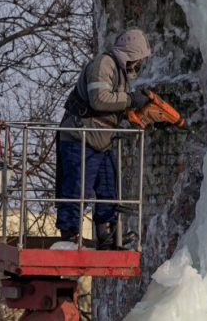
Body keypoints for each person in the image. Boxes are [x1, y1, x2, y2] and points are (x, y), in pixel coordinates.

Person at [56, 27, 151, 249]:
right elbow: (99, 99)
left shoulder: (120, 72)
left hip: (102, 140)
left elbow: (114, 106)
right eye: (138, 59)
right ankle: (69, 236)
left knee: (108, 188)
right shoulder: (104, 64)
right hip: (81, 137)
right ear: (131, 54)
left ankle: (105, 235)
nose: (138, 64)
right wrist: (130, 99)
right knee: (77, 189)